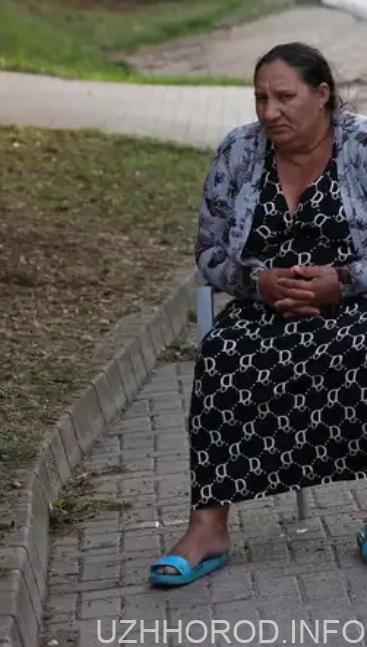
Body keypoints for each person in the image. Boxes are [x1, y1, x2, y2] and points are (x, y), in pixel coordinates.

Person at [151, 42, 367, 587]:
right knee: (224, 354)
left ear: (322, 96)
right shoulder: (239, 152)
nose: (270, 111)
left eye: (284, 97)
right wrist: (258, 283)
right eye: (261, 98)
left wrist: (340, 283)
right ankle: (208, 530)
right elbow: (208, 248)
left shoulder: (362, 147)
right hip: (263, 309)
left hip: (354, 307)